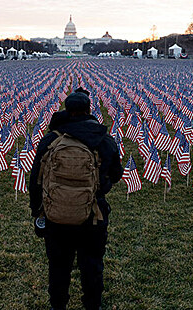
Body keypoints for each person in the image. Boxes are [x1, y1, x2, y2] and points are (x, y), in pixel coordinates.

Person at [29, 88, 123, 310]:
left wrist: (37, 212)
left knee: (58, 266)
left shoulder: (51, 139)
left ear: (67, 110)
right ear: (89, 110)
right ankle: (92, 305)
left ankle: (58, 305)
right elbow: (117, 174)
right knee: (92, 265)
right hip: (93, 215)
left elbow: (36, 179)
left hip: (56, 215)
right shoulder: (103, 139)